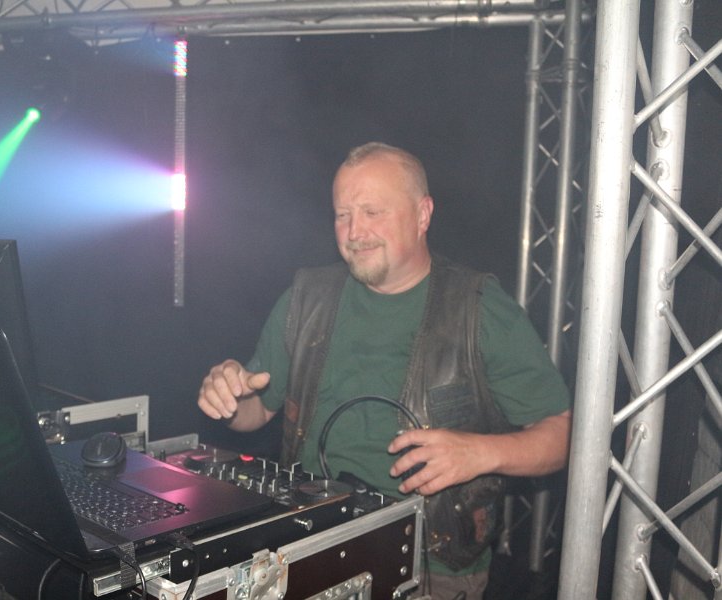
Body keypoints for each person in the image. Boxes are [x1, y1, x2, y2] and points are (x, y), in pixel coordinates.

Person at [197, 142, 571, 600]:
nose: (355, 232)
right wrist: (230, 398)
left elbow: (563, 434)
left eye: (373, 212)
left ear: (422, 214)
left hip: (430, 567)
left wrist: (479, 453)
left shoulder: (478, 308)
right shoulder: (305, 299)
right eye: (343, 215)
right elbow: (257, 410)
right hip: (308, 547)